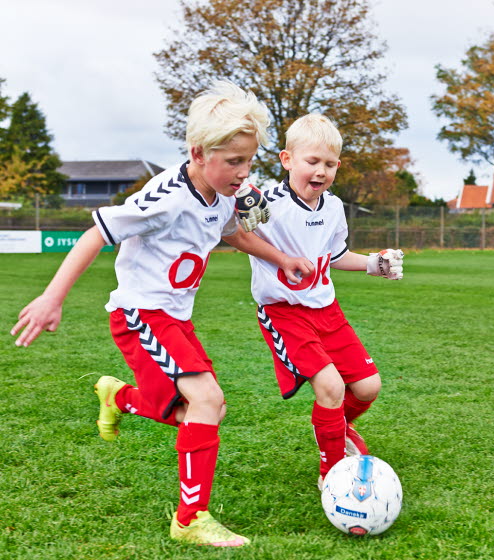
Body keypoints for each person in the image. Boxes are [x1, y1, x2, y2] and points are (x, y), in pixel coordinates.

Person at [10, 81, 313, 547]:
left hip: (175, 319)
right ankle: (190, 520)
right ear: (198, 152)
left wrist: (281, 258)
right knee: (207, 402)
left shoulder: (225, 191)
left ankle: (119, 398)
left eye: (249, 160)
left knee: (205, 408)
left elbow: (233, 232)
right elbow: (96, 233)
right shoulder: (168, 198)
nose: (243, 172)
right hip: (140, 315)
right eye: (234, 161)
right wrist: (53, 297)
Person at [248, 113, 404, 489]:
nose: (320, 171)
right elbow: (236, 233)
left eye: (330, 164)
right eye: (312, 161)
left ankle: (336, 428)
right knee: (331, 387)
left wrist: (374, 264)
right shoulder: (265, 204)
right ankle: (332, 474)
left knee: (368, 387)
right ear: (287, 160)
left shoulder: (333, 207)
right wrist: (239, 202)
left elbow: (335, 256)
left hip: (326, 309)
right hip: (284, 312)